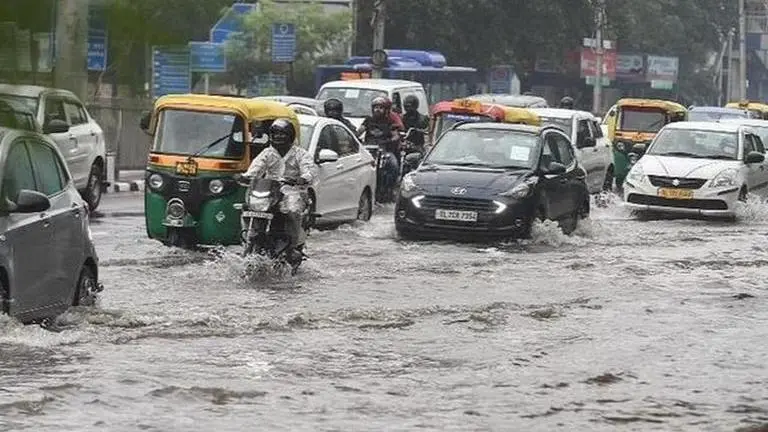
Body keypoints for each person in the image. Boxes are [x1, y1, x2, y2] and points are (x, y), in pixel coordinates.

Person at [240, 118, 316, 259]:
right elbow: (255, 169)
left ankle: (292, 247)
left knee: (293, 211)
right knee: (247, 208)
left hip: (293, 191)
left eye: (283, 134)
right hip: (269, 192)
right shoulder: (267, 153)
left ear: (291, 136)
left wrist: (302, 178)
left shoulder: (301, 154)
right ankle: (249, 239)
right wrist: (245, 177)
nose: (278, 137)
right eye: (275, 134)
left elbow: (309, 171)